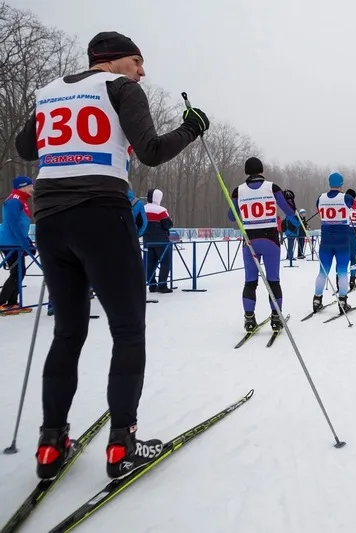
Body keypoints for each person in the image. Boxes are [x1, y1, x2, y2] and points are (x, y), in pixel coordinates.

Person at [14, 30, 210, 480]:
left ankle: (50, 442)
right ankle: (122, 443)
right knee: (128, 330)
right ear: (116, 61)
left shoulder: (48, 92)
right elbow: (153, 152)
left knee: (67, 333)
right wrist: (191, 128)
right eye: (138, 62)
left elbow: (27, 149)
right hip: (102, 214)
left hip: (51, 221)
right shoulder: (121, 89)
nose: (143, 73)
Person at [229, 157, 297, 331]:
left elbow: (231, 216)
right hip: (270, 240)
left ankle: (249, 319)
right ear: (261, 171)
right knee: (273, 281)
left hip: (250, 241)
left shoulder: (239, 191)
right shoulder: (272, 187)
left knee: (250, 282)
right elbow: (290, 212)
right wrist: (289, 198)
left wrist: (233, 201)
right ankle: (276, 318)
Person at [313, 173, 356, 313]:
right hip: (342, 239)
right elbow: (355, 206)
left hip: (326, 239)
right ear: (341, 184)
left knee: (322, 271)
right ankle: (343, 301)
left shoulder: (321, 197)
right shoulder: (346, 197)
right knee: (342, 270)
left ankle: (317, 299)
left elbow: (318, 211)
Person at [0, 176, 35, 315]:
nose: (32, 188)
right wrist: (24, 243)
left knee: (19, 271)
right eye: (30, 186)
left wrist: (27, 241)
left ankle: (12, 303)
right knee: (17, 272)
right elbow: (12, 224)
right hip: (10, 242)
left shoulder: (21, 199)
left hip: (15, 241)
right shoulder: (14, 201)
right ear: (23, 186)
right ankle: (2, 302)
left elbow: (20, 225)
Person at [143, 188, 174, 293]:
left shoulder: (143, 209)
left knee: (150, 263)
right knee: (165, 263)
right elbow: (168, 225)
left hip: (147, 241)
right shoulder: (161, 210)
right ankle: (162, 285)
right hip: (162, 241)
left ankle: (152, 285)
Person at [345, 188, 356, 290]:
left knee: (341, 258)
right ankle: (352, 279)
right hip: (354, 232)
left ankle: (339, 280)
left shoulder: (342, 203)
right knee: (352, 258)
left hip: (343, 232)